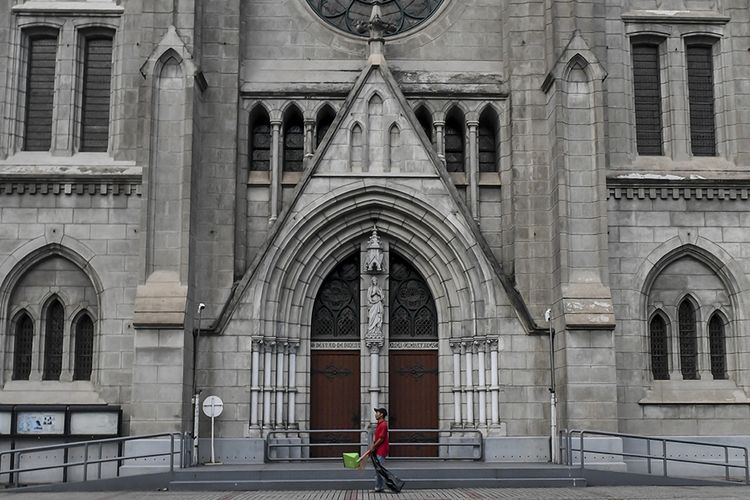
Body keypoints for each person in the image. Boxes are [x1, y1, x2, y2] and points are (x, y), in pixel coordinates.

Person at [360, 407, 389, 492]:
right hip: (378, 449)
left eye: (377, 413)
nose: (375, 414)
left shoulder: (383, 424)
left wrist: (373, 446)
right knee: (378, 469)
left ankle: (379, 487)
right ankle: (379, 487)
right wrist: (374, 446)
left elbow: (381, 438)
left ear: (382, 415)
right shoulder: (379, 424)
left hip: (381, 450)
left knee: (379, 469)